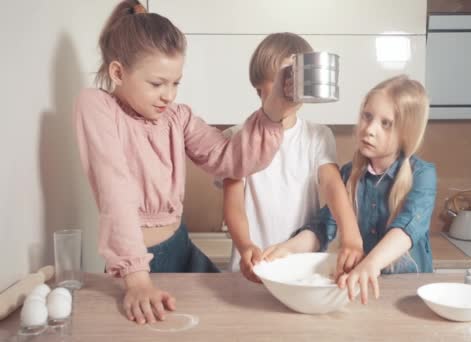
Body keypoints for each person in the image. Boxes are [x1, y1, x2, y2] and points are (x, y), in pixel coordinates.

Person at [74, 1, 296, 325]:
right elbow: (114, 190)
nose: (169, 95)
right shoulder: (97, 108)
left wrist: (274, 109)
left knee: (232, 322)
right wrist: (136, 280)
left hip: (182, 246)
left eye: (175, 83)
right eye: (157, 83)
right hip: (138, 265)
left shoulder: (178, 117)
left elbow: (230, 159)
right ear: (118, 72)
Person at [263, 75, 437, 304]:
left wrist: (370, 264)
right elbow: (325, 225)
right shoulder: (349, 174)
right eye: (367, 116)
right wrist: (289, 249)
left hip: (408, 295)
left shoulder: (422, 175)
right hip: (362, 291)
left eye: (386, 123)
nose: (370, 129)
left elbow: (405, 231)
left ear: (407, 134)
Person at [222, 33, 364, 283]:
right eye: (281, 80)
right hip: (251, 268)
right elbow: (233, 205)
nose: (288, 88)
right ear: (258, 88)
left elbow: (332, 185)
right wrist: (245, 246)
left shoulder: (318, 136)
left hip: (300, 268)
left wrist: (351, 235)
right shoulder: (236, 137)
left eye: (294, 80)